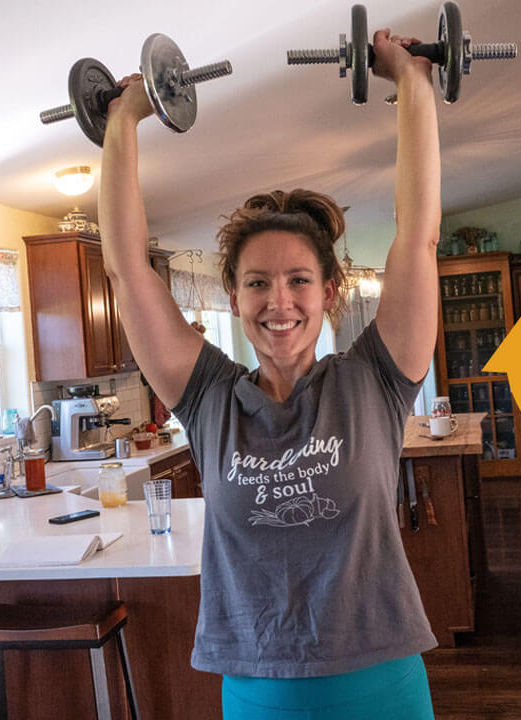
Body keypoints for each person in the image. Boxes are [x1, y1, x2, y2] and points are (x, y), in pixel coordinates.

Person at [99, 29, 441, 720]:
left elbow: (419, 233)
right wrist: (122, 121)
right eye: (257, 283)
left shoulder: (374, 379)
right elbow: (127, 268)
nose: (278, 301)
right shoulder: (209, 398)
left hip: (379, 675)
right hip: (256, 682)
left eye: (298, 281)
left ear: (330, 294)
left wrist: (410, 83)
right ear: (233, 298)